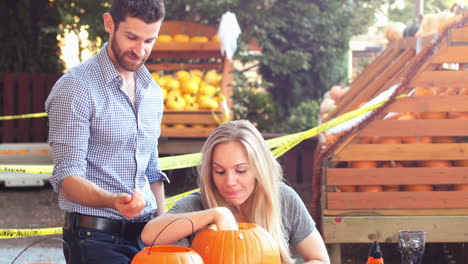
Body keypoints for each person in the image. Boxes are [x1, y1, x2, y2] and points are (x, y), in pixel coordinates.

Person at [45, 0, 167, 263]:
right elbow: (67, 179)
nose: (140, 50)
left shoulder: (153, 91)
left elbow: (152, 170)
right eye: (132, 37)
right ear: (110, 23)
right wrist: (113, 201)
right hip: (94, 239)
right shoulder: (75, 88)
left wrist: (164, 228)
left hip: (146, 237)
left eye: (149, 41)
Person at [140, 120, 330, 264]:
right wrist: (216, 214)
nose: (230, 182)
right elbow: (149, 234)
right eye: (220, 171)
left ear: (259, 168)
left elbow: (320, 259)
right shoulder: (199, 204)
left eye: (241, 170)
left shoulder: (283, 198)